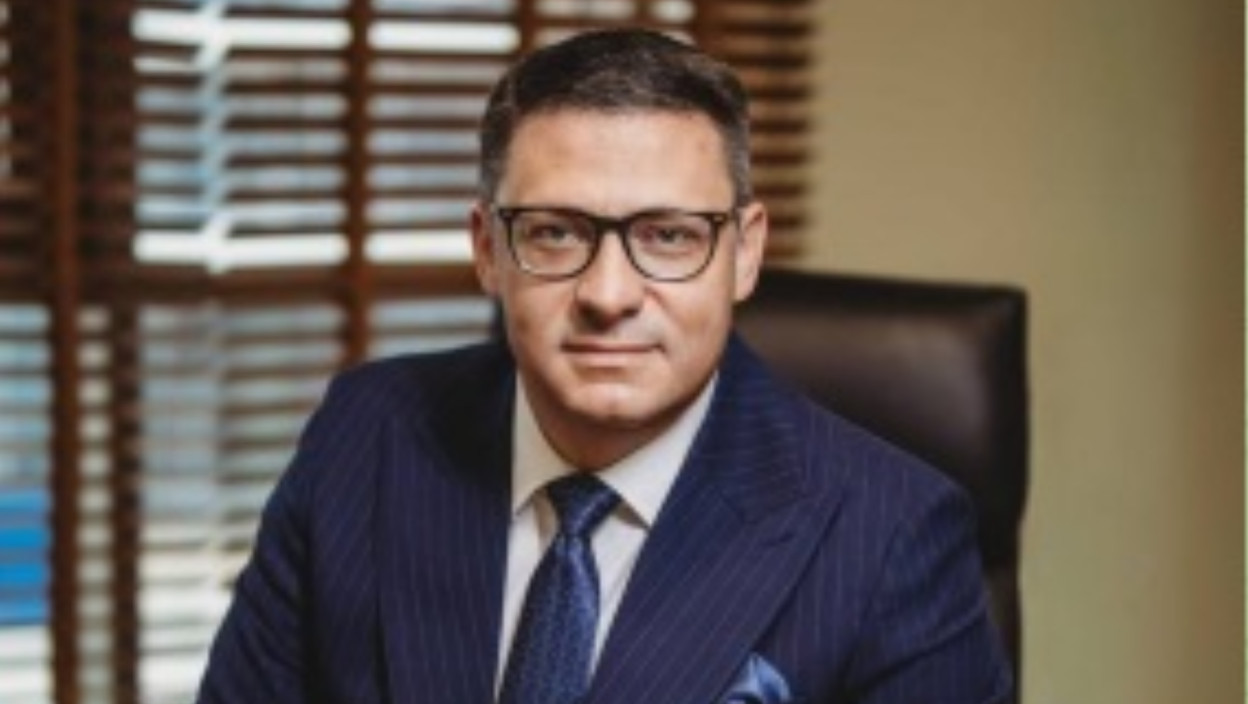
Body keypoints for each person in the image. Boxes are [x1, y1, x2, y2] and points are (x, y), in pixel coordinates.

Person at [197, 28, 1012, 704]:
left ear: (744, 253)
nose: (609, 295)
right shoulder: (364, 436)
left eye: (670, 236)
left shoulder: (893, 537)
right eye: (556, 233)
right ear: (488, 251)